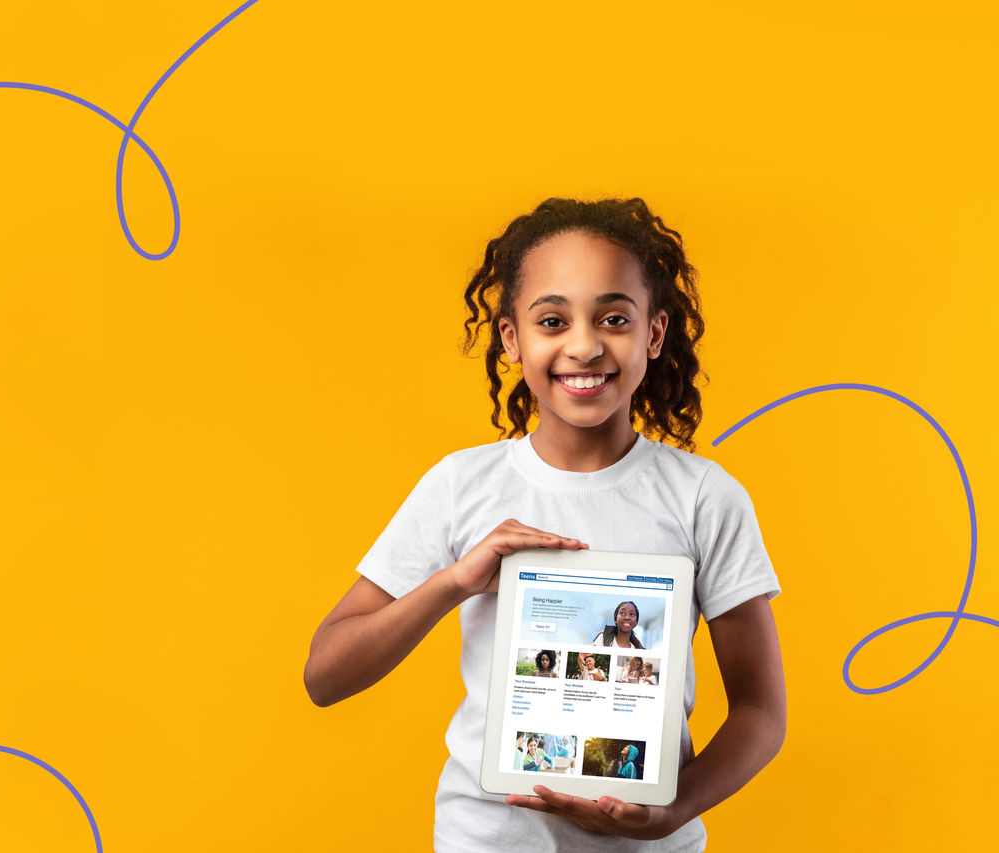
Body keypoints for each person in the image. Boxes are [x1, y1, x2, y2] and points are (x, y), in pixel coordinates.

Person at [304, 197, 786, 851]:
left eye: (614, 318)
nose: (584, 345)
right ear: (512, 338)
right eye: (553, 320)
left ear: (653, 332)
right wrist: (455, 581)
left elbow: (761, 710)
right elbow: (326, 675)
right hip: (487, 838)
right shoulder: (460, 485)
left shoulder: (705, 497)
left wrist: (674, 810)